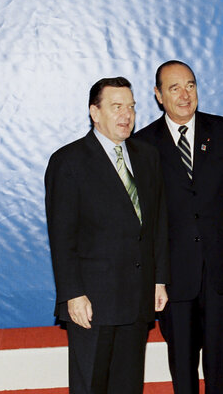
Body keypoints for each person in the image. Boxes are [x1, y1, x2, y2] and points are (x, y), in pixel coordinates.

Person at [135, 60, 223, 394]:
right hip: (175, 275)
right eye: (174, 88)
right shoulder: (143, 144)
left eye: (190, 85)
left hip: (221, 270)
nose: (185, 94)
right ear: (159, 96)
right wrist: (153, 274)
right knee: (183, 364)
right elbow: (144, 218)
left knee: (221, 359)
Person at [45, 77, 169, 394]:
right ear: (94, 112)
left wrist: (159, 279)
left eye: (130, 107)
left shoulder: (147, 156)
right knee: (92, 386)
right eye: (116, 107)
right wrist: (72, 294)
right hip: (92, 302)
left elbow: (156, 225)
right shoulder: (69, 161)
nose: (125, 114)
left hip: (138, 297)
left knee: (128, 386)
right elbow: (62, 237)